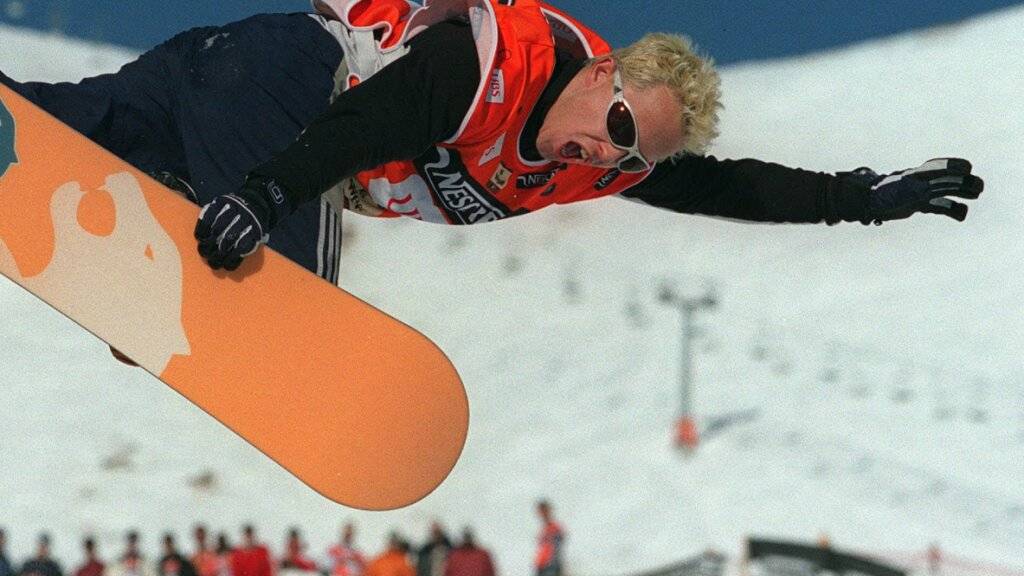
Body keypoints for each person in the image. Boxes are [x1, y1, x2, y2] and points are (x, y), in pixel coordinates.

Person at [0, 0, 984, 285]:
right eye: (618, 129)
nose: (610, 158)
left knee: (35, 127)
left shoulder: (582, 168)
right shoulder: (500, 63)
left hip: (201, 83)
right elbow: (373, 123)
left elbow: (722, 189)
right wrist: (266, 198)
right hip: (281, 83)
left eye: (632, 160)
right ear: (602, 73)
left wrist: (857, 195)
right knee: (274, 303)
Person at [533, 500, 563, 576]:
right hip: (541, 564)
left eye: (544, 510)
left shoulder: (555, 528)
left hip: (550, 565)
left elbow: (557, 549)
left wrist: (553, 564)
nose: (542, 514)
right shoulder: (544, 529)